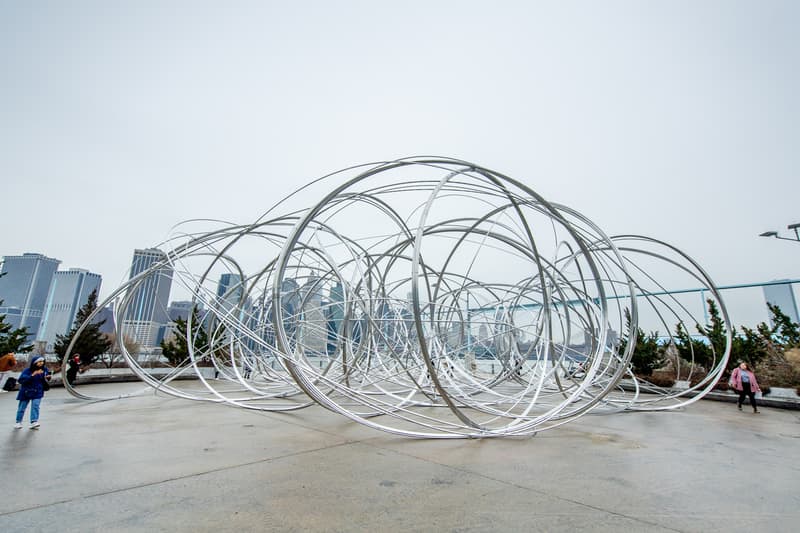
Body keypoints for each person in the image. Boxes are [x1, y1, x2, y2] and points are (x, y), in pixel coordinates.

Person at [14, 356, 52, 429]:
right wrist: (32, 375)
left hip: (38, 391)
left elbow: (46, 378)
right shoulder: (27, 370)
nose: (41, 363)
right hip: (26, 391)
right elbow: (21, 380)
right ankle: (18, 422)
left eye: (42, 362)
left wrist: (48, 377)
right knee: (22, 407)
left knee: (35, 406)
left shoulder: (44, 369)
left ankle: (34, 421)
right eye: (39, 362)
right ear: (35, 363)